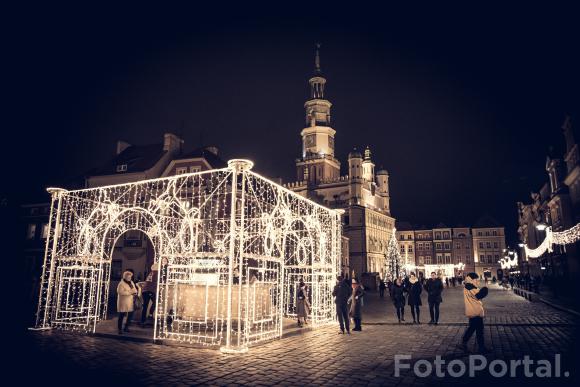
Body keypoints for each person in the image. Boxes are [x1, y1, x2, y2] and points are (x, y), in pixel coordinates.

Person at [458, 272, 489, 353]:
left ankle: (464, 342)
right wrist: (485, 289)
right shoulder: (470, 287)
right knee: (479, 330)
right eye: (476, 280)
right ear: (471, 280)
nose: (477, 281)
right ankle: (481, 348)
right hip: (475, 311)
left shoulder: (468, 287)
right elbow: (478, 295)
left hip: (473, 311)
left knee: (472, 328)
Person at [117, 270, 140, 334]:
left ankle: (126, 327)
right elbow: (120, 292)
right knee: (121, 315)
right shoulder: (121, 284)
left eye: (130, 277)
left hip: (130, 301)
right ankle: (119, 329)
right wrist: (130, 292)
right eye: (128, 277)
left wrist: (135, 292)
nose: (130, 278)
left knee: (130, 315)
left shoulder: (131, 282)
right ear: (125, 277)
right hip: (123, 301)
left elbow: (134, 289)